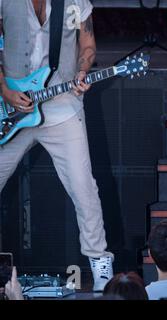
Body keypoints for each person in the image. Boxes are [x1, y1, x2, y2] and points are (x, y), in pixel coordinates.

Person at [0, 0, 113, 291]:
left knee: (83, 187)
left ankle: (100, 264)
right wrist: (4, 90)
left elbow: (87, 43)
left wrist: (83, 69)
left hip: (62, 105)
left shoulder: (74, 2)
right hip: (12, 107)